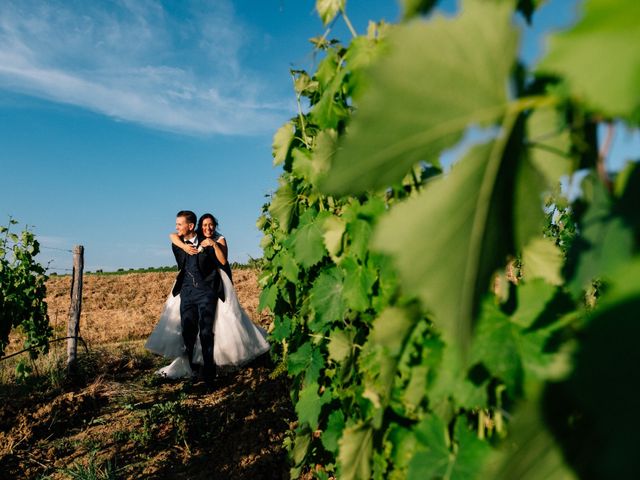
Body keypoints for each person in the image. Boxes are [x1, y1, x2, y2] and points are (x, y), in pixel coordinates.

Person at [145, 212, 269, 381]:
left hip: (207, 293)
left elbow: (223, 261)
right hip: (186, 294)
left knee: (205, 332)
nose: (176, 227)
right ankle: (193, 369)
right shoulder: (178, 244)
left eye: (179, 224)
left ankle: (209, 372)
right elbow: (172, 236)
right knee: (188, 332)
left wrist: (212, 244)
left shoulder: (210, 243)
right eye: (177, 224)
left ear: (190, 226)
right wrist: (185, 247)